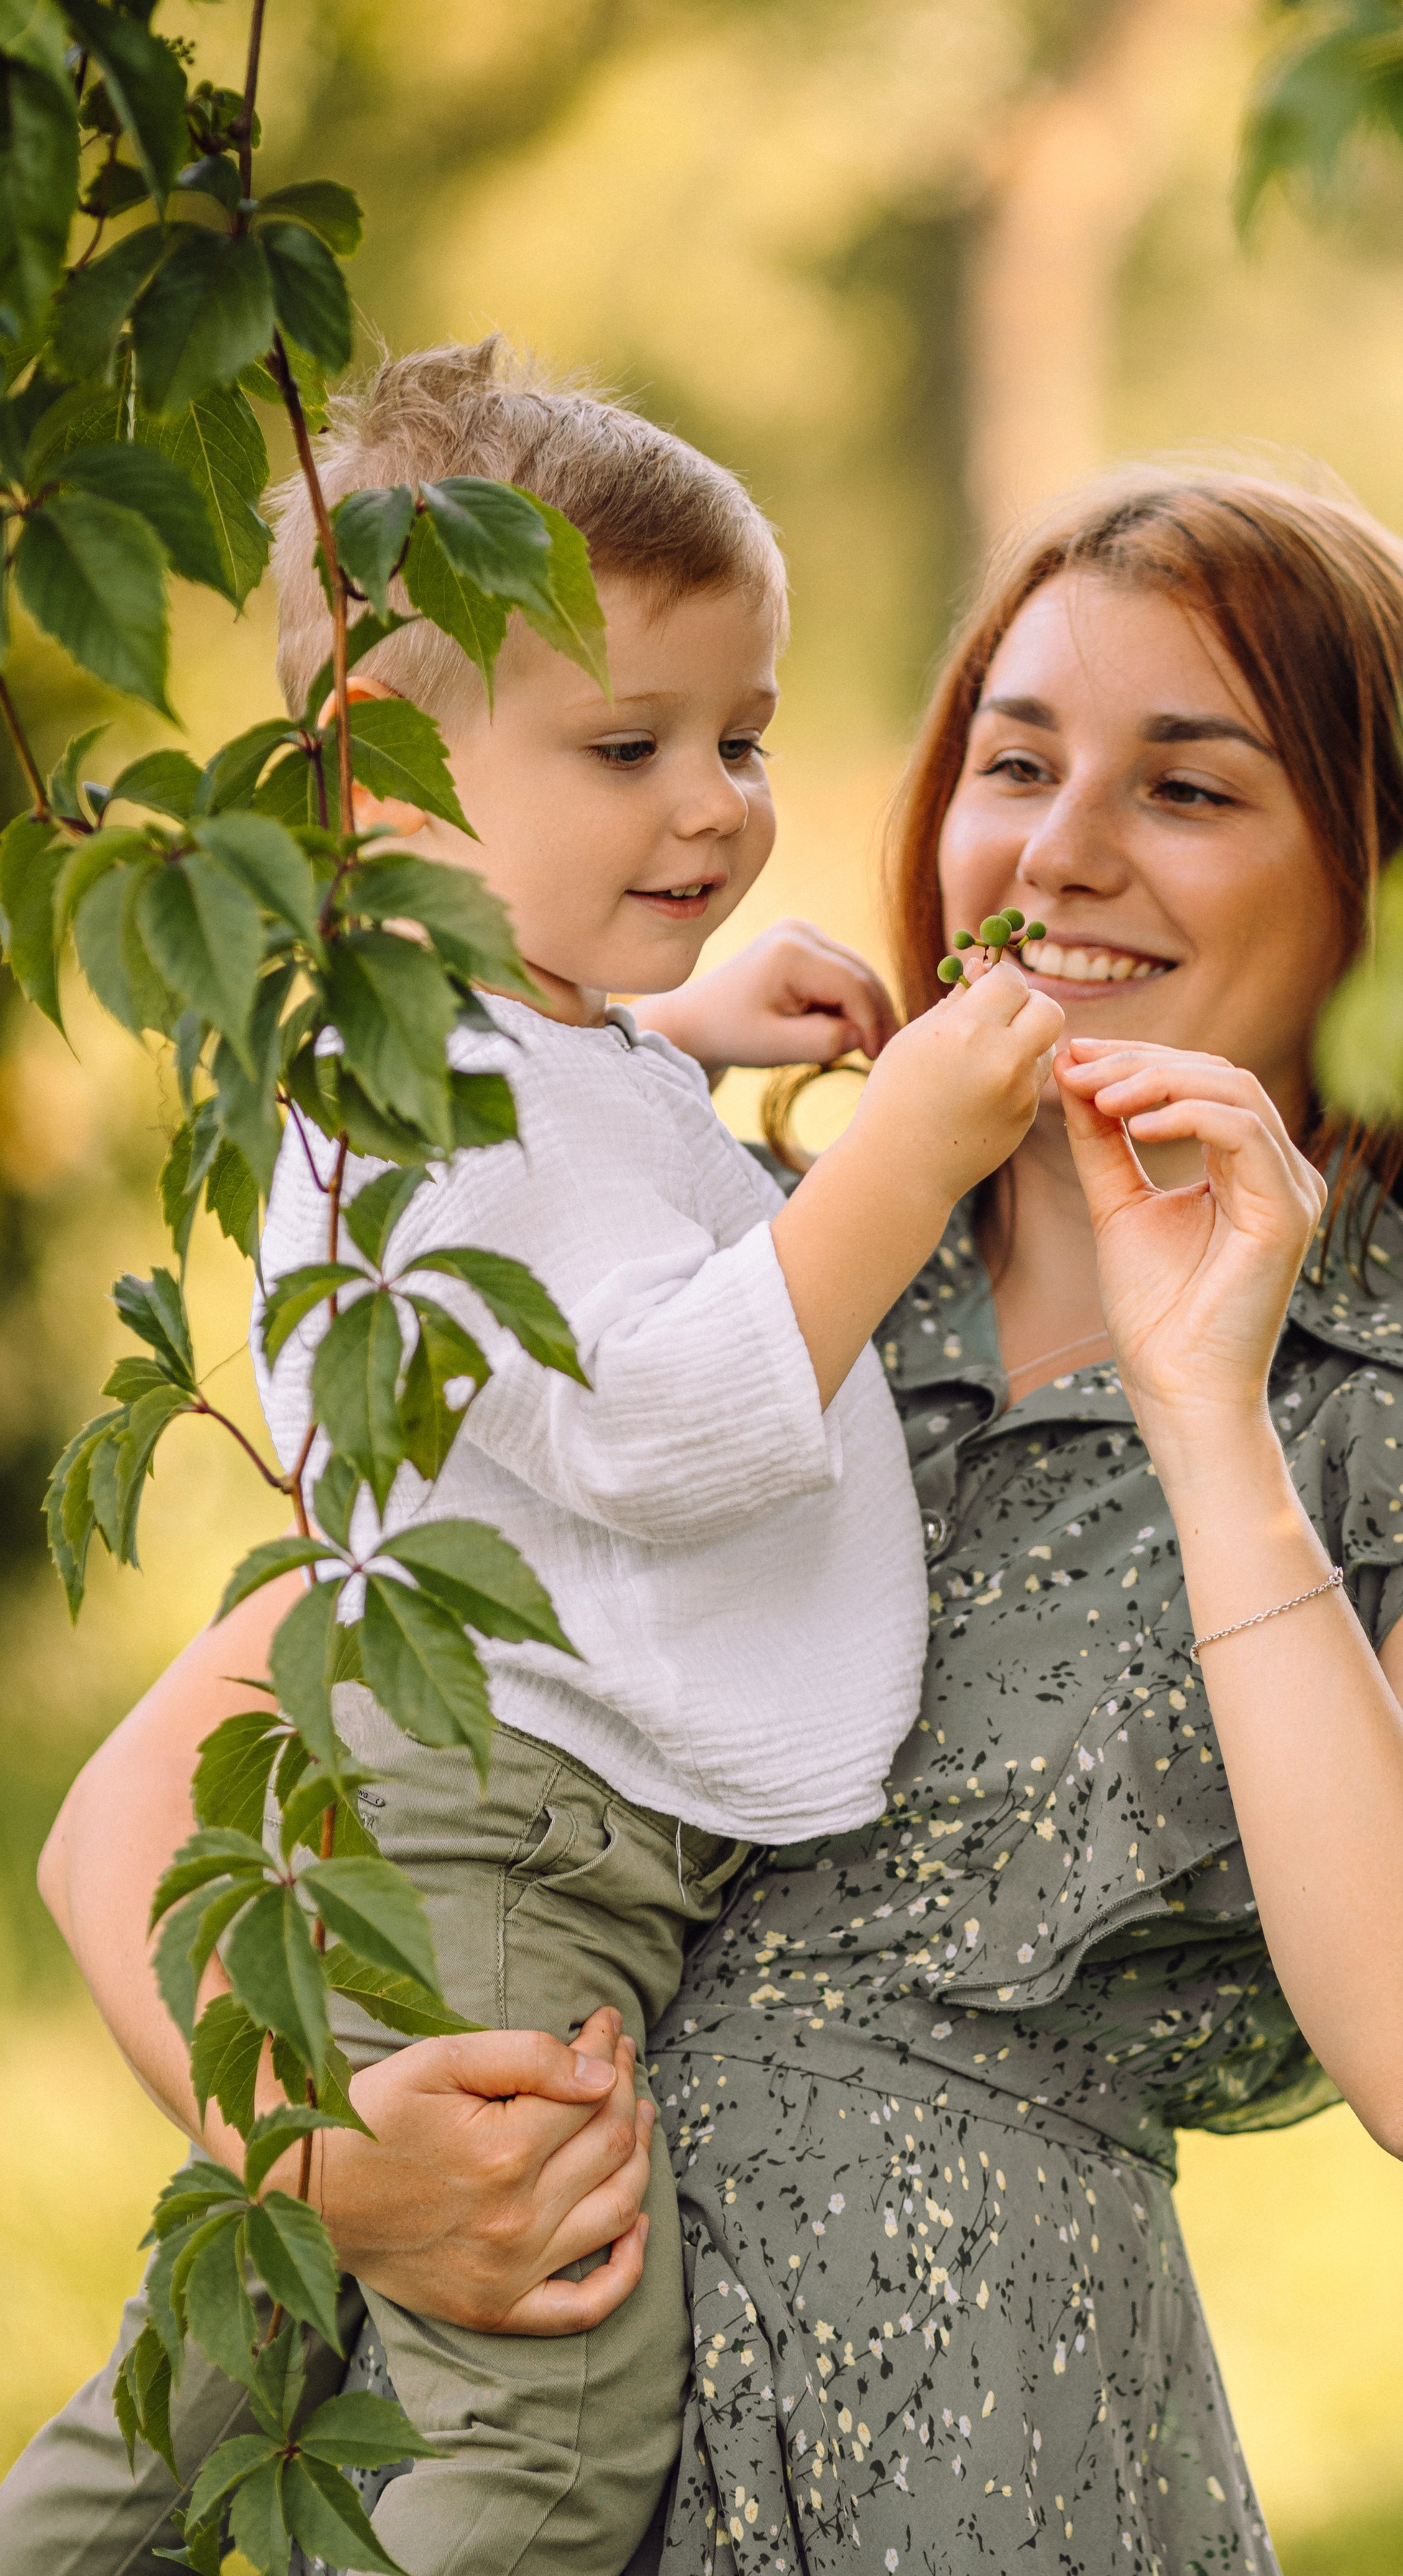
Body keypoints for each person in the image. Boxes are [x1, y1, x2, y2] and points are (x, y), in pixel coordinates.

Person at [16, 464, 1403, 2576]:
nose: (1061, 849)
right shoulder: (739, 1266)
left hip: (988, 2467)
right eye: (1014, 764)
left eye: (1187, 791)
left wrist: (1210, 1420)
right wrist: (317, 2162)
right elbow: (125, 1826)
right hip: (515, 2416)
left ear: (1384, 882)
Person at [0, 339, 1063, 2576]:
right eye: (630, 748)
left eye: (746, 737)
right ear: (381, 786)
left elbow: (536, 1150)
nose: (717, 803)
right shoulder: (449, 1103)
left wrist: (681, 1027)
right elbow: (658, 1416)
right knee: (555, 2435)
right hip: (516, 1848)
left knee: (231, 2351)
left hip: (433, 1801)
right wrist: (903, 1162)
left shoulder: (432, 1038)